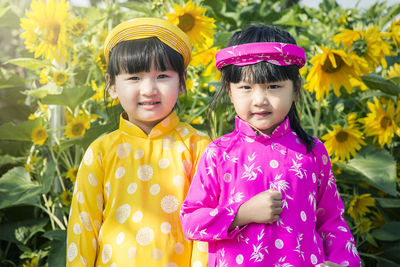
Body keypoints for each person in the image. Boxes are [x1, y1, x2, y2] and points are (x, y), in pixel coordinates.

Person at [180, 25, 361, 267]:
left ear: (295, 89)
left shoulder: (313, 151)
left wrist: (342, 263)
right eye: (246, 88)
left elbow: (332, 220)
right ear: (230, 92)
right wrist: (241, 214)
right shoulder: (219, 153)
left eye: (273, 86)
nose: (260, 100)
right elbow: (191, 220)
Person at [66, 18, 210, 267]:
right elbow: (83, 228)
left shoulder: (199, 147)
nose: (149, 89)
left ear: (182, 81)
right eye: (134, 78)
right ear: (112, 85)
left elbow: (205, 231)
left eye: (162, 75)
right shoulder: (100, 152)